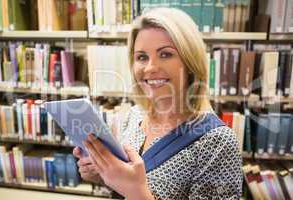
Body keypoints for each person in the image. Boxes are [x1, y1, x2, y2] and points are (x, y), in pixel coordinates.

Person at [73, 8, 243, 200]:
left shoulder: (217, 141)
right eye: (142, 57)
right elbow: (124, 185)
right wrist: (104, 174)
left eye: (165, 55)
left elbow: (134, 190)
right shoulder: (134, 115)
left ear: (190, 63)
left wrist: (139, 193)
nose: (150, 67)